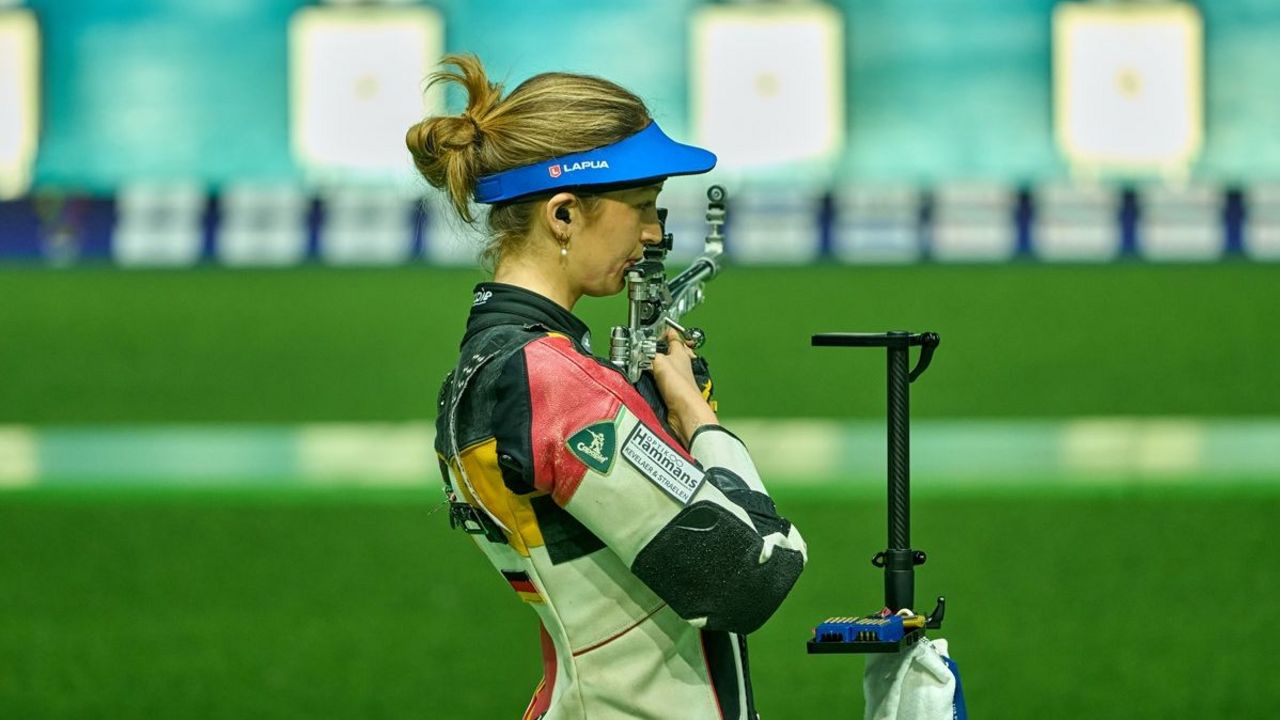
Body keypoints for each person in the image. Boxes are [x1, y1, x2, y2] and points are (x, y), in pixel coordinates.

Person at [407, 54, 807, 720]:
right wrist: (699, 424)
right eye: (643, 208)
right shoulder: (546, 380)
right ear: (563, 214)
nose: (654, 234)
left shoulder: (503, 367)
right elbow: (749, 575)